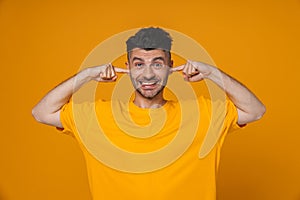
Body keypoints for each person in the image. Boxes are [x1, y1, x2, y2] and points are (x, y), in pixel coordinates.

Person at [32, 27, 265, 200]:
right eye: (139, 64)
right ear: (128, 66)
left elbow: (255, 111)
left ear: (171, 65)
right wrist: (86, 75)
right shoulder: (96, 116)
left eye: (157, 64)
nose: (148, 75)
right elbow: (41, 112)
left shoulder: (203, 113)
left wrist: (212, 72)